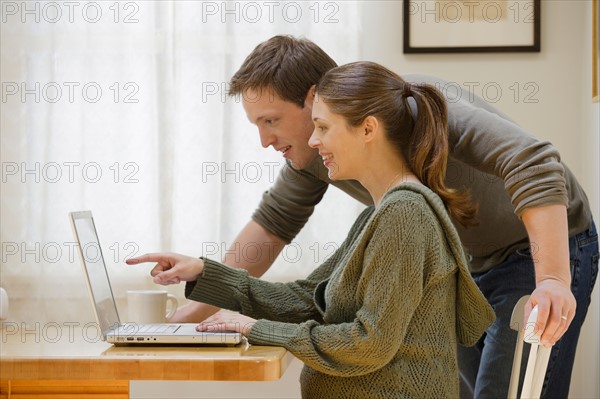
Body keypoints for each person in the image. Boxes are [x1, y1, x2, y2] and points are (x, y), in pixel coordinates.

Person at [155, 35, 597, 398]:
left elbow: (534, 160)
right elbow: (275, 230)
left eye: (270, 121)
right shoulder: (329, 165)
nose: (264, 141)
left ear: (316, 101)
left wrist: (553, 279)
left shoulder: (409, 123)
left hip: (534, 247)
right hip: (469, 258)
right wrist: (186, 320)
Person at [128, 61, 496, 398]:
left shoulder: (404, 214)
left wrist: (253, 328)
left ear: (368, 128)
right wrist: (205, 272)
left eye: (323, 127)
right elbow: (308, 299)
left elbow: (369, 343)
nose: (314, 140)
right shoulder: (381, 212)